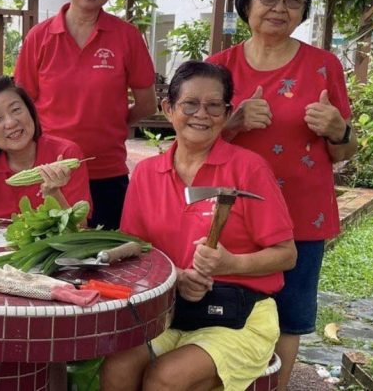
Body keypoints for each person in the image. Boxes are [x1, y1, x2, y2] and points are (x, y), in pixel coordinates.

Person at [207, 0, 358, 390]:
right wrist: (232, 125)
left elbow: (345, 149)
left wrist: (339, 130)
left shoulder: (324, 65)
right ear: (247, 3)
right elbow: (193, 142)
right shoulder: (220, 66)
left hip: (301, 215)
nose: (279, 8)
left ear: (304, 10)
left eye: (293, 0)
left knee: (289, 318)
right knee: (226, 309)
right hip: (230, 210)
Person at [100, 61, 297, 391]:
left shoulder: (248, 169)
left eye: (214, 106)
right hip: (171, 311)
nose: (201, 115)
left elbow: (286, 255)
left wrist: (231, 263)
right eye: (190, 104)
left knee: (165, 379)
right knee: (117, 369)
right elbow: (138, 251)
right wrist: (177, 275)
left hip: (239, 316)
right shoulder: (147, 174)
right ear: (168, 109)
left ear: (227, 111)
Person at [14, 0, 157, 229]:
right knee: (44, 258)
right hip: (50, 174)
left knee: (104, 261)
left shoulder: (127, 37)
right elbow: (22, 107)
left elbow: (147, 104)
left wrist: (113, 122)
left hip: (106, 173)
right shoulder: (39, 38)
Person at [0, 76, 92, 219]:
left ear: (30, 110)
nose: (11, 123)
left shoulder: (66, 154)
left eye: (16, 109)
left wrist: (54, 193)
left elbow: (80, 228)